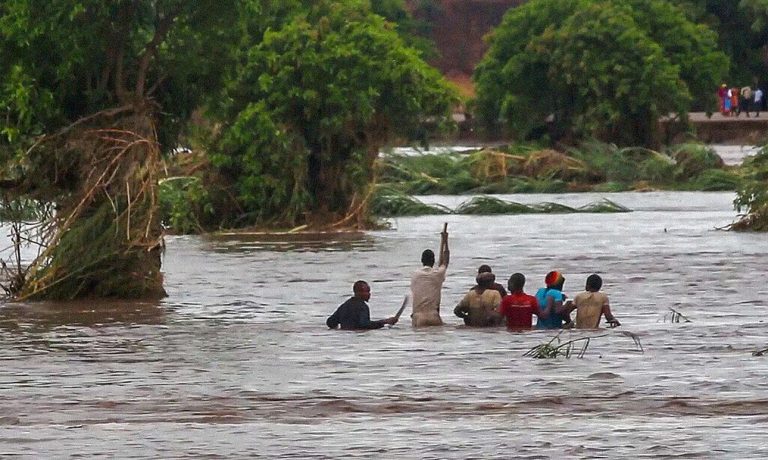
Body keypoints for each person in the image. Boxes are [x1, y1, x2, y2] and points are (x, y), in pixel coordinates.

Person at [410, 227, 450, 327]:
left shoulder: (415, 274)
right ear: (433, 261)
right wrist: (445, 240)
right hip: (434, 316)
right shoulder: (437, 274)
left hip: (419, 317)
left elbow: (441, 264)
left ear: (421, 260)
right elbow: (445, 261)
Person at [326, 280, 397, 330]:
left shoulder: (344, 305)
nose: (369, 294)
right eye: (366, 291)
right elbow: (364, 324)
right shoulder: (362, 307)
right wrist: (385, 321)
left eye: (369, 292)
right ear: (357, 292)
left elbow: (330, 322)